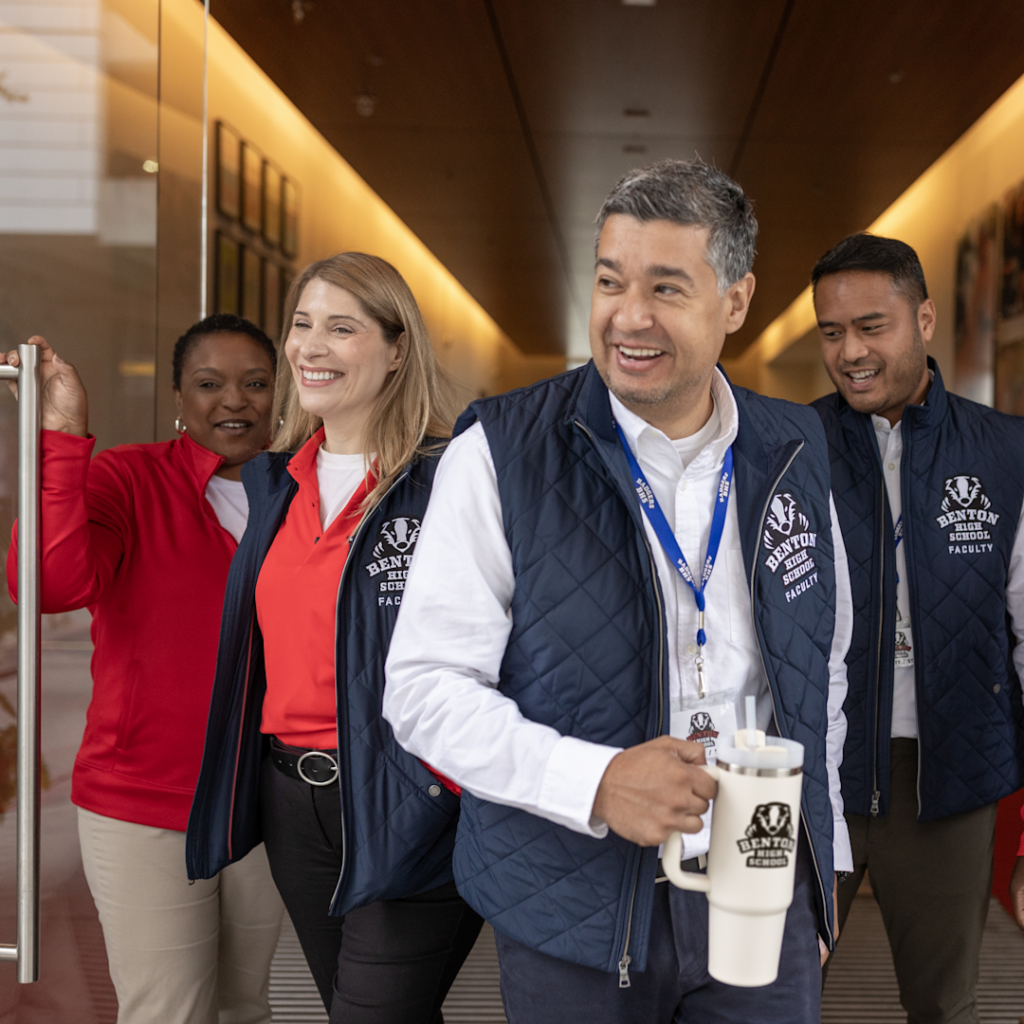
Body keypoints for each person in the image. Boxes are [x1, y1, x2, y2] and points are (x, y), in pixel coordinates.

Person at [383, 158, 854, 1023]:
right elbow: (423, 692)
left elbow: (823, 668)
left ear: (736, 301)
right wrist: (594, 781)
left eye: (667, 288)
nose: (628, 317)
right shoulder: (502, 453)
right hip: (576, 907)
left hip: (761, 889)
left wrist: (820, 872)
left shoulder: (795, 448)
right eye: (609, 281)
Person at [185, 252, 483, 1024]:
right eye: (302, 324)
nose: (309, 347)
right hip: (295, 803)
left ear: (395, 350)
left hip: (408, 798)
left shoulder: (449, 478)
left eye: (341, 328)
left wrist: (448, 786)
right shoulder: (276, 484)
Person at [4, 316, 285, 1024]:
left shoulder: (304, 491)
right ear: (178, 398)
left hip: (264, 804)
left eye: (255, 383)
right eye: (209, 384)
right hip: (144, 805)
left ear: (279, 394)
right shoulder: (129, 478)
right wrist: (64, 436)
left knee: (244, 1008)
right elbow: (47, 581)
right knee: (167, 1012)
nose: (234, 401)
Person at [810, 233, 1024, 1024]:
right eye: (832, 332)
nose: (851, 352)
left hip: (952, 778)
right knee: (767, 998)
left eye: (873, 326)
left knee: (945, 1007)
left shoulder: (1007, 454)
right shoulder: (786, 449)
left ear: (925, 318)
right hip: (813, 772)